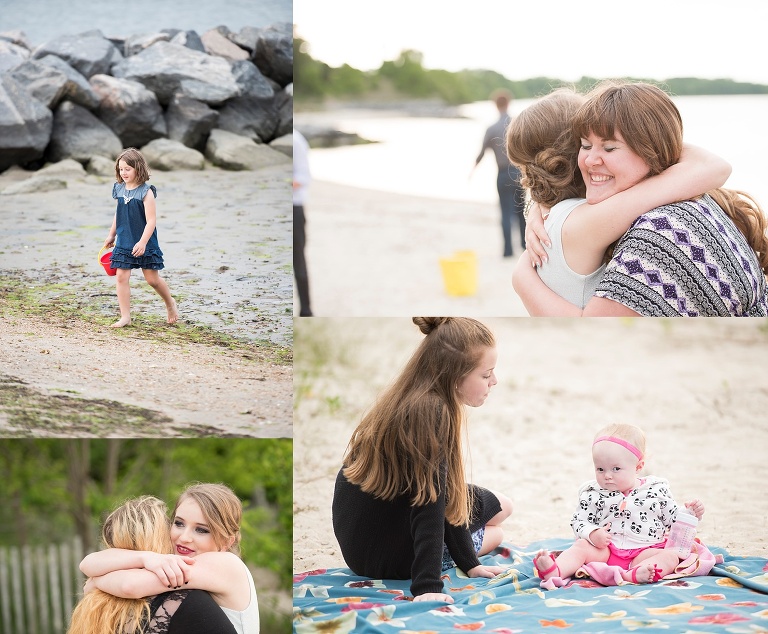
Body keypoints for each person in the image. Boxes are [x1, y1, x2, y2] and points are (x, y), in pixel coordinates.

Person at [511, 81, 768, 316]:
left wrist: (522, 275)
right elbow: (712, 166)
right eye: (585, 145)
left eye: (609, 147)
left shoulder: (574, 218)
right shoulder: (612, 219)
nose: (590, 159)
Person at [332, 317, 513, 604]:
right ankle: (441, 564)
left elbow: (442, 493)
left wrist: (470, 563)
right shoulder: (433, 412)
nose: (494, 381)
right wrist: (428, 587)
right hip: (393, 558)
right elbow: (430, 503)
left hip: (361, 549)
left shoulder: (407, 397)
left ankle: (460, 552)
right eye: (486, 373)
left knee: (490, 512)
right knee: (500, 520)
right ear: (455, 377)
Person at [533, 423, 705, 587]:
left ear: (638, 466)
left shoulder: (655, 490)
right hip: (606, 551)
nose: (607, 475)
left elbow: (672, 520)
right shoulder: (593, 493)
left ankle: (636, 573)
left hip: (645, 550)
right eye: (600, 469)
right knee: (581, 547)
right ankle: (555, 571)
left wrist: (689, 512)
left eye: (616, 469)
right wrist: (592, 533)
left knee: (670, 556)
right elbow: (578, 521)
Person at [80, 483, 259, 634]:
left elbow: (130, 586)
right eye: (179, 523)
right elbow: (87, 563)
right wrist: (146, 557)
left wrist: (96, 582)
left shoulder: (226, 564)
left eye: (201, 530)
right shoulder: (181, 563)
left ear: (226, 541)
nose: (184, 537)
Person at [103, 147, 178, 328]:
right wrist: (111, 234)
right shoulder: (119, 189)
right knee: (121, 277)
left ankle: (170, 303)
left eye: (127, 169)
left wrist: (143, 242)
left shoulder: (146, 192)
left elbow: (151, 221)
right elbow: (118, 213)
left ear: (138, 168)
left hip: (145, 240)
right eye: (121, 169)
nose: (123, 173)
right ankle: (125, 317)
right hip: (124, 239)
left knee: (152, 280)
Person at [474, 90, 526, 257]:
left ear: (495, 105)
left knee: (505, 212)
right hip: (519, 173)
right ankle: (525, 246)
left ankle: (507, 251)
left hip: (502, 174)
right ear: (508, 103)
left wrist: (472, 169)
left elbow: (481, 153)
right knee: (521, 212)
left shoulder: (491, 128)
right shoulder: (517, 123)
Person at [293, 129, 313, 316]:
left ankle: (306, 310)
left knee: (298, 262)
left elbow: (304, 177)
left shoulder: (296, 140)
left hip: (295, 209)